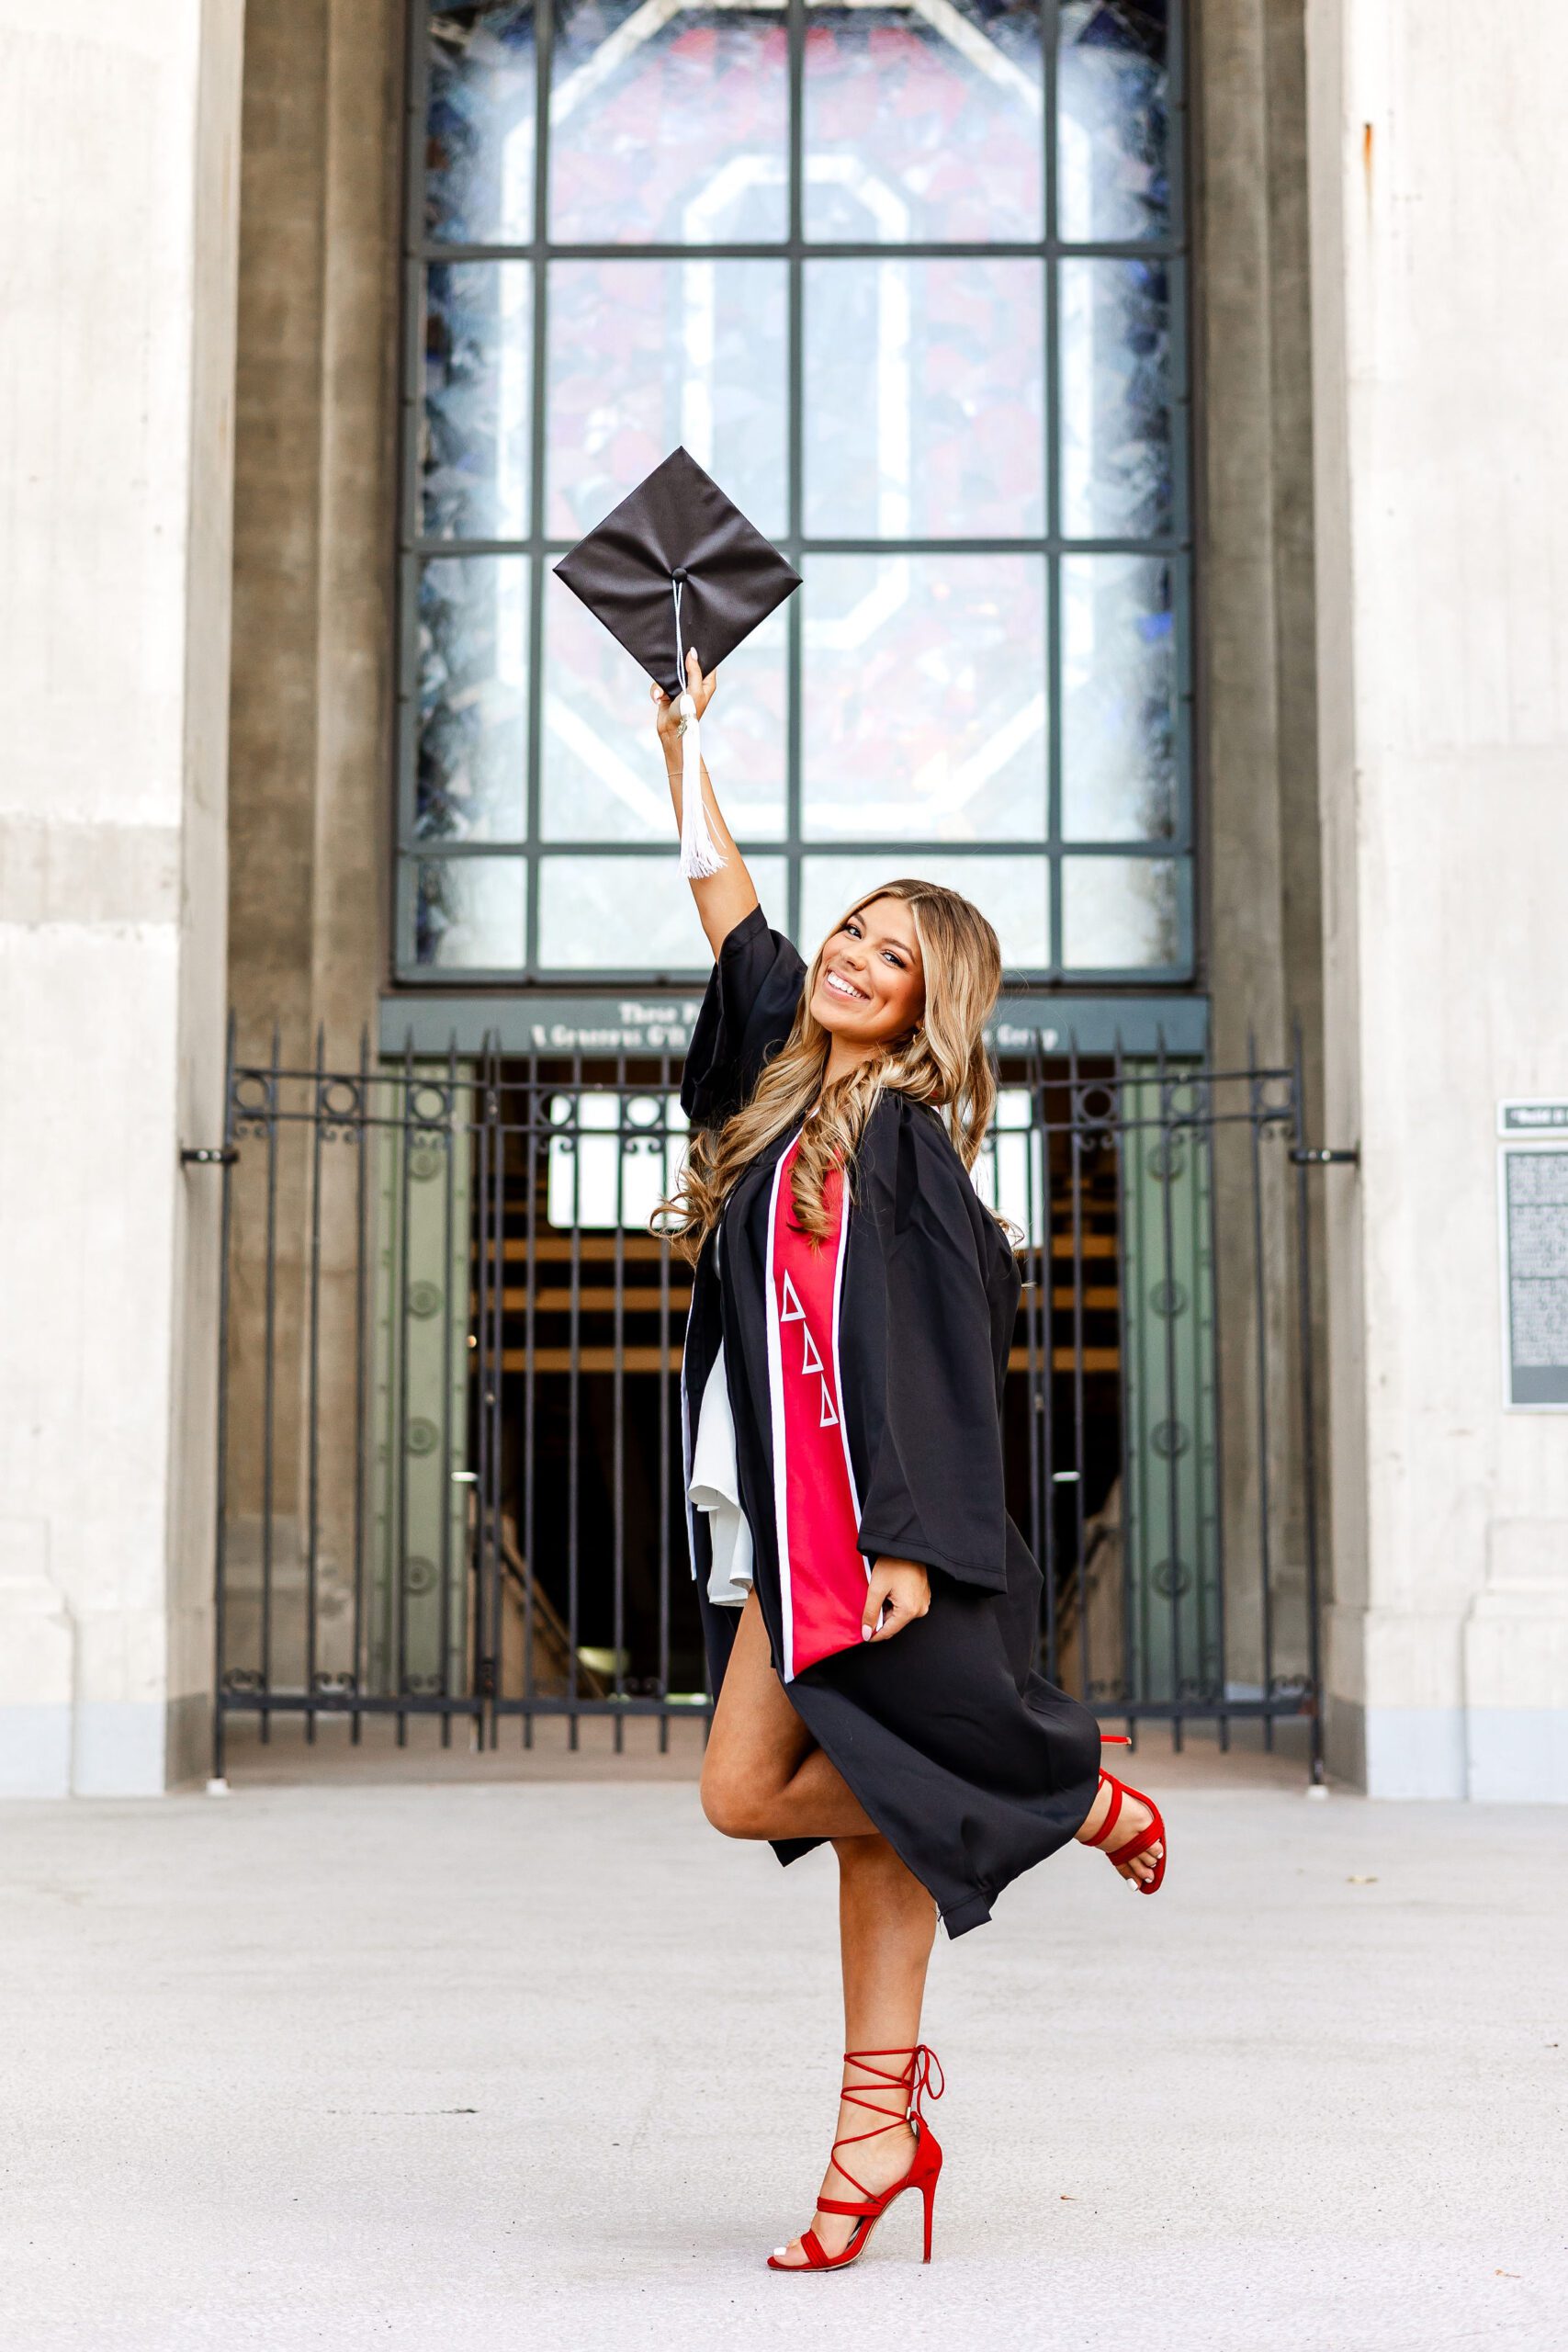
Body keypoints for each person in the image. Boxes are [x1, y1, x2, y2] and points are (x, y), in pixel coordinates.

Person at [650, 654, 1168, 2275]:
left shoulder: (909, 1154)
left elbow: (955, 1371)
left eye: (894, 957)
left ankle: (886, 2112)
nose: (858, 961)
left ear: (928, 1006)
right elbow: (732, 917)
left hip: (876, 1550)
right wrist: (682, 742)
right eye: (855, 932)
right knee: (784, 1794)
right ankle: (891, 2106)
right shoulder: (779, 1102)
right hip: (786, 1546)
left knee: (793, 1789)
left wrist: (921, 1549)